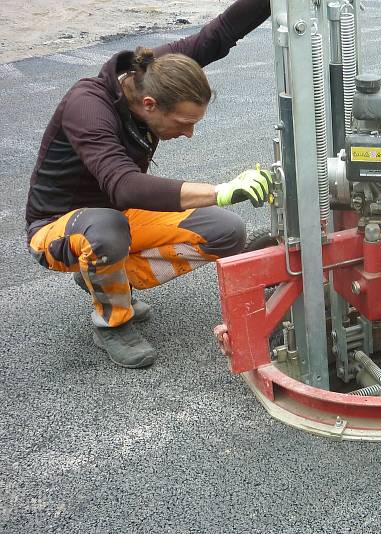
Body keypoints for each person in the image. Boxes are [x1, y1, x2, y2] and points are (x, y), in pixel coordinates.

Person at [25, 0, 273, 369]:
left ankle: (108, 280)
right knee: (107, 229)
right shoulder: (88, 106)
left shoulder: (154, 72)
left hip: (118, 216)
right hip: (57, 229)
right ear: (150, 104)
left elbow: (217, 35)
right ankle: (112, 323)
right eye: (183, 122)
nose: (189, 133)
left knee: (225, 231)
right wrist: (220, 191)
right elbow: (124, 186)